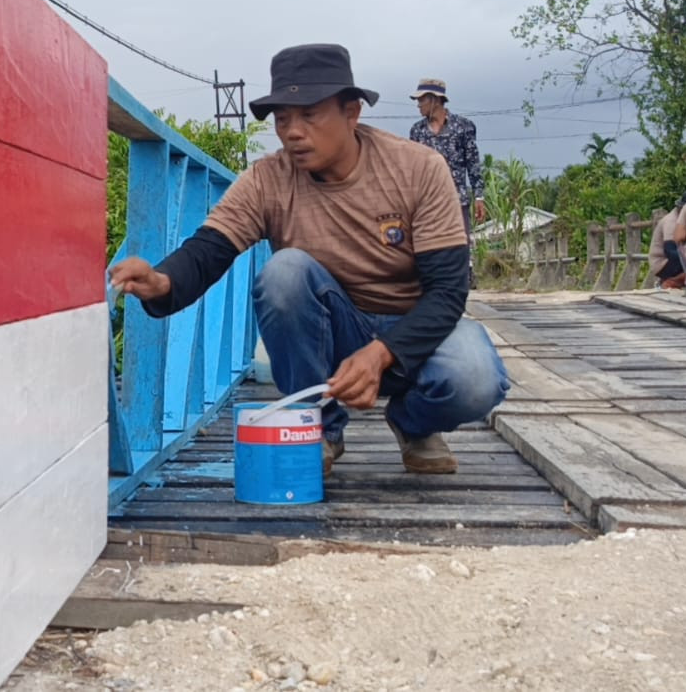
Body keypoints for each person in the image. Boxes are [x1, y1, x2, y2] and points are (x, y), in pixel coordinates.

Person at [110, 44, 510, 478]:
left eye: (310, 115)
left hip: (412, 329)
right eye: (282, 119)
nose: (293, 132)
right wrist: (163, 282)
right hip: (331, 335)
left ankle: (412, 423)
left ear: (352, 112)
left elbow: (448, 292)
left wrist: (381, 354)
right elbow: (209, 249)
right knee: (284, 273)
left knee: (475, 378)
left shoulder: (418, 169)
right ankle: (316, 425)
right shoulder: (268, 180)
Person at [407, 79, 484, 286]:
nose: (418, 105)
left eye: (422, 100)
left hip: (456, 197)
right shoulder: (417, 131)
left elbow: (473, 163)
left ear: (435, 100)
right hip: (427, 200)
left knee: (460, 241)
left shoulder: (463, 127)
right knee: (427, 243)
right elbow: (412, 167)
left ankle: (463, 280)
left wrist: (479, 196)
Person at [647, 192, 686, 289]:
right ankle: (670, 282)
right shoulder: (671, 221)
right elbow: (670, 251)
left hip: (678, 257)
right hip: (662, 262)